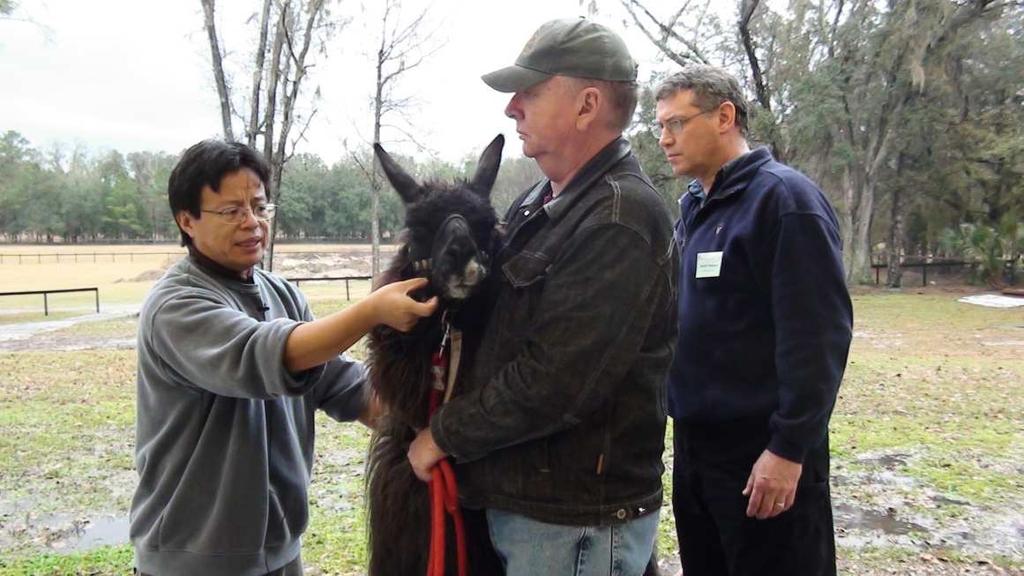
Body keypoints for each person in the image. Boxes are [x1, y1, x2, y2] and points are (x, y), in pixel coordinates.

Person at [406, 18, 677, 576]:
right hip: (531, 509)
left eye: (529, 92)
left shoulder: (619, 218)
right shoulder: (542, 201)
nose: (512, 108)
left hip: (574, 522)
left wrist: (443, 435)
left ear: (587, 105)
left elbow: (558, 380)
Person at [129, 139, 437, 576]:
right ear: (187, 220)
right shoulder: (176, 304)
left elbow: (344, 387)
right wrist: (372, 311)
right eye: (231, 211)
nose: (251, 223)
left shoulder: (283, 294)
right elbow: (264, 355)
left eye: (259, 207)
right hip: (193, 560)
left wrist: (436, 425)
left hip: (281, 552)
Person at [655, 65, 853, 576]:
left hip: (762, 450)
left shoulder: (784, 201)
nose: (664, 139)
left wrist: (788, 449)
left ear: (725, 117)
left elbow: (818, 337)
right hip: (698, 449)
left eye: (676, 124)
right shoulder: (694, 208)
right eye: (660, 126)